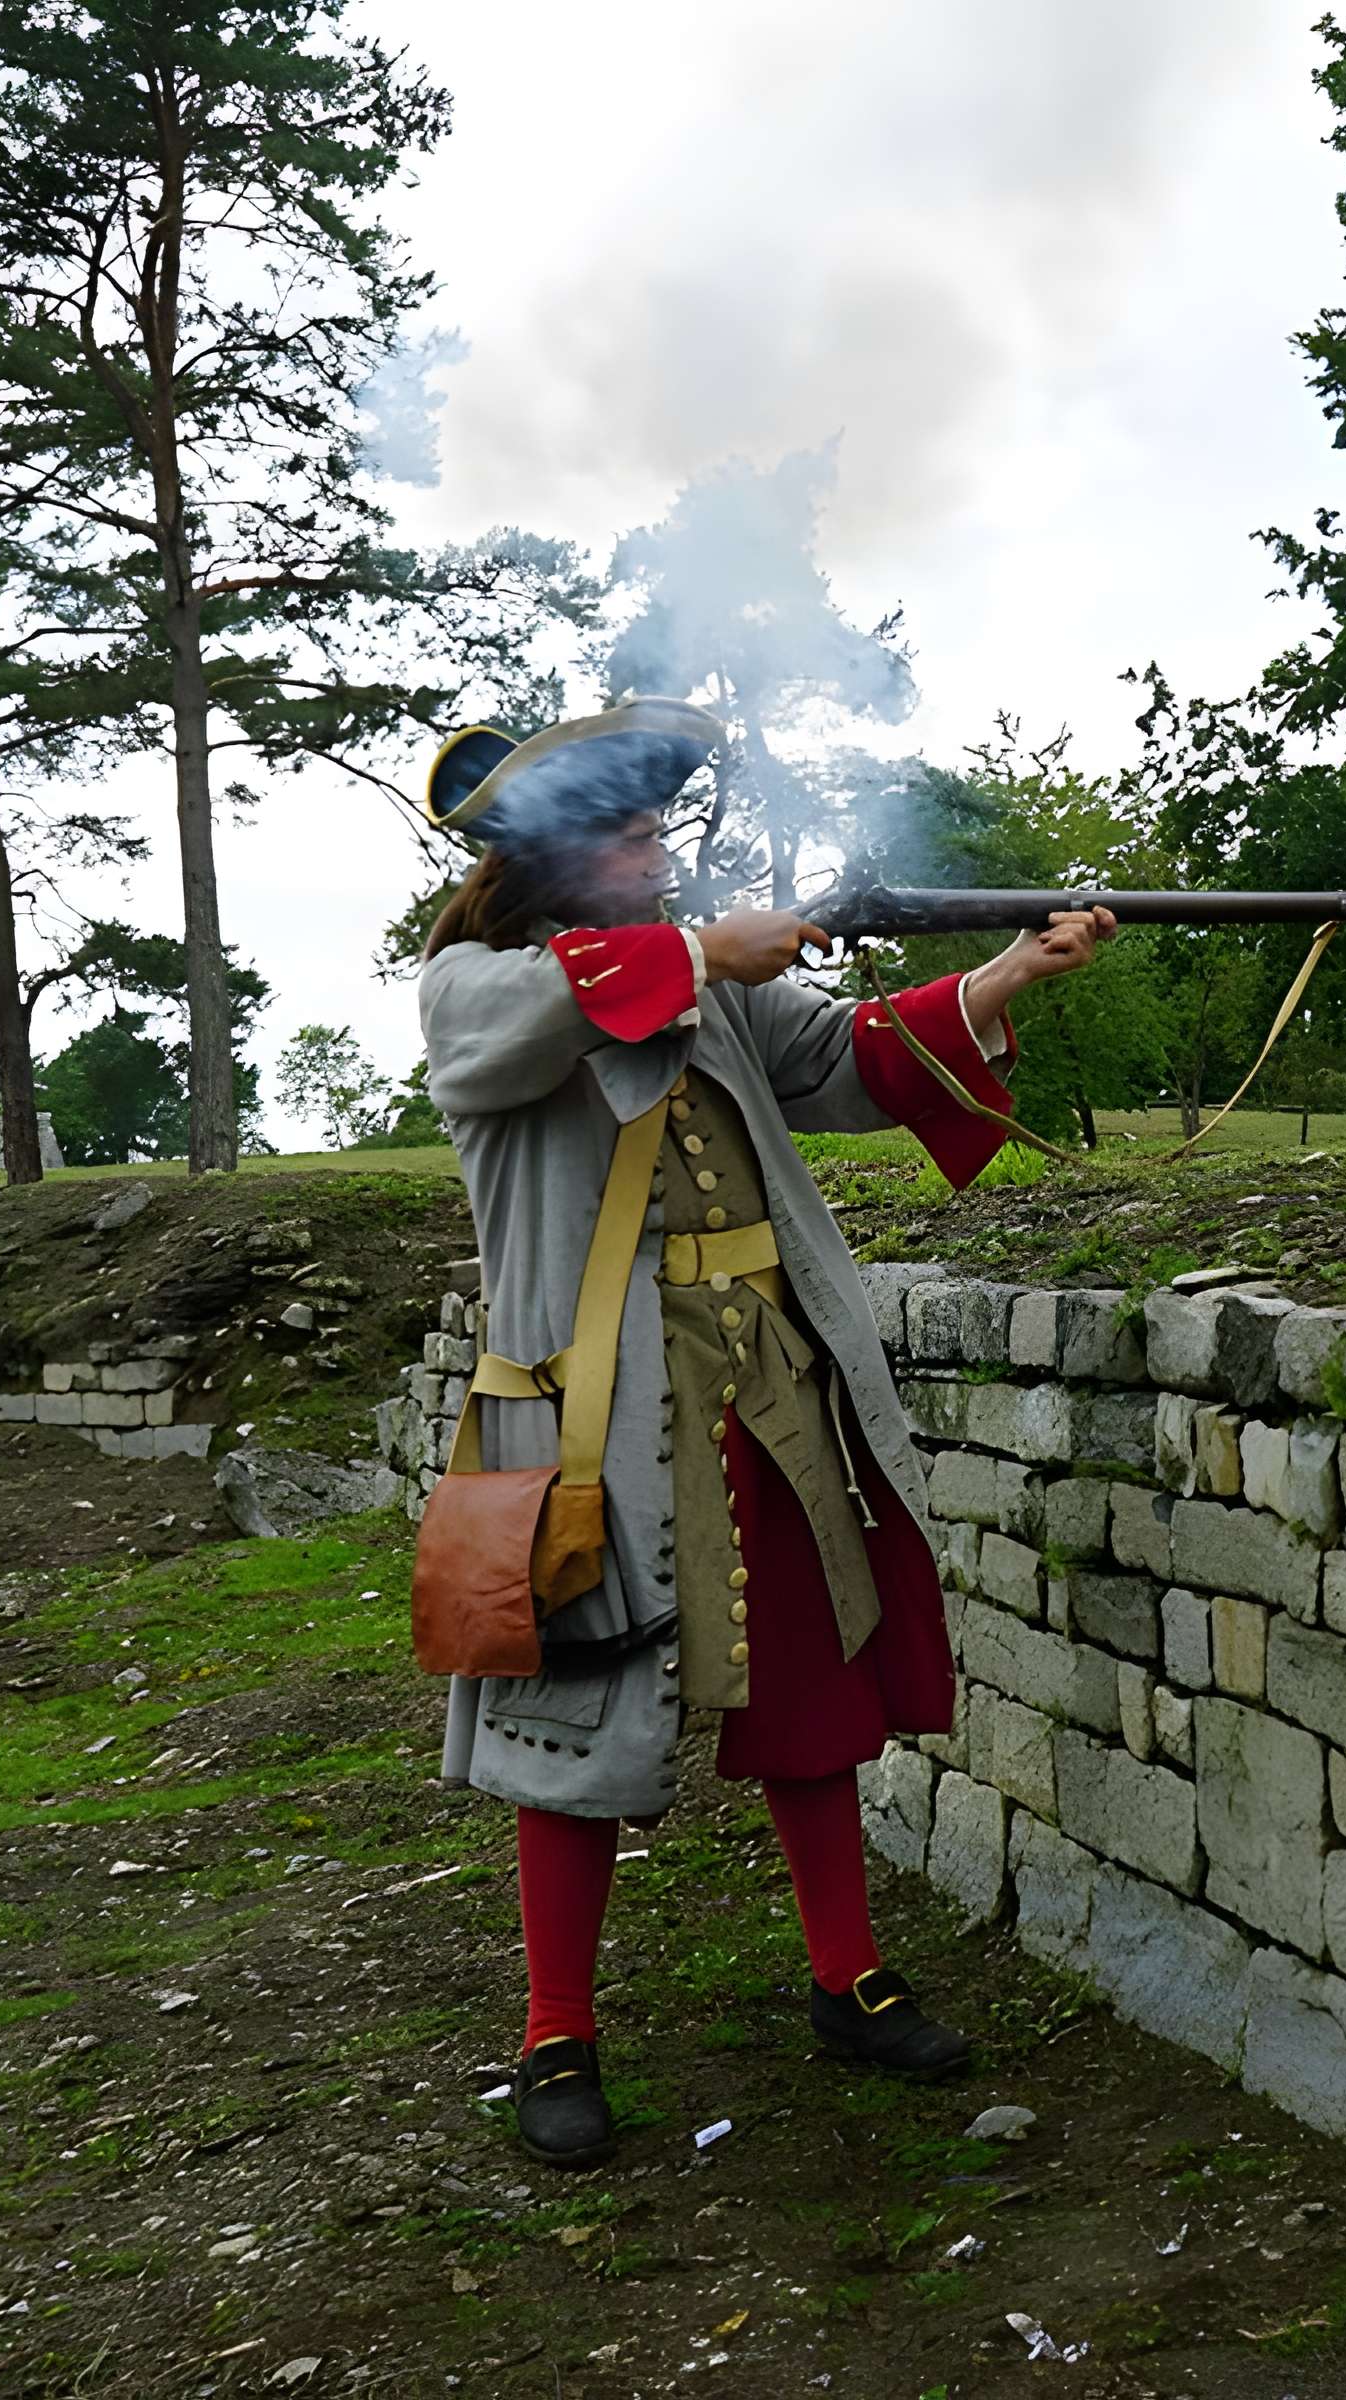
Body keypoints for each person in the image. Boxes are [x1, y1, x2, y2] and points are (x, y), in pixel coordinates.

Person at [412, 696, 1112, 2169]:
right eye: (628, 829)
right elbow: (523, 1034)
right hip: (591, 1414)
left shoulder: (708, 988)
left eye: (657, 823)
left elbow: (855, 1062)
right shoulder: (479, 984)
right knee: (573, 1723)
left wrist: (1011, 971)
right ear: (552, 860)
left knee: (816, 1687)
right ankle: (555, 2027)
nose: (657, 846)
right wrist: (698, 954)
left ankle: (848, 1975)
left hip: (762, 1377)